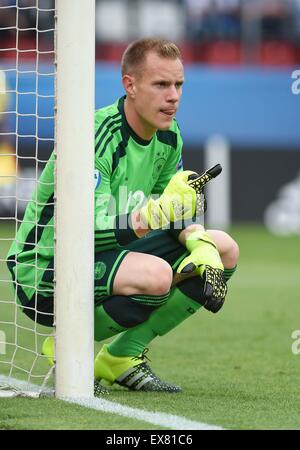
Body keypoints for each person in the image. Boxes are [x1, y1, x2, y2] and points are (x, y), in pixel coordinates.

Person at [7, 38, 239, 394]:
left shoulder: (168, 136)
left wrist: (196, 240)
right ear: (129, 85)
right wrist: (150, 216)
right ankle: (69, 344)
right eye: (161, 84)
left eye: (178, 85)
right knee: (156, 275)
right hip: (45, 266)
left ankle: (122, 357)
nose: (173, 96)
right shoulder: (95, 135)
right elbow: (82, 230)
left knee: (222, 249)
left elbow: (172, 212)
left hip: (103, 256)